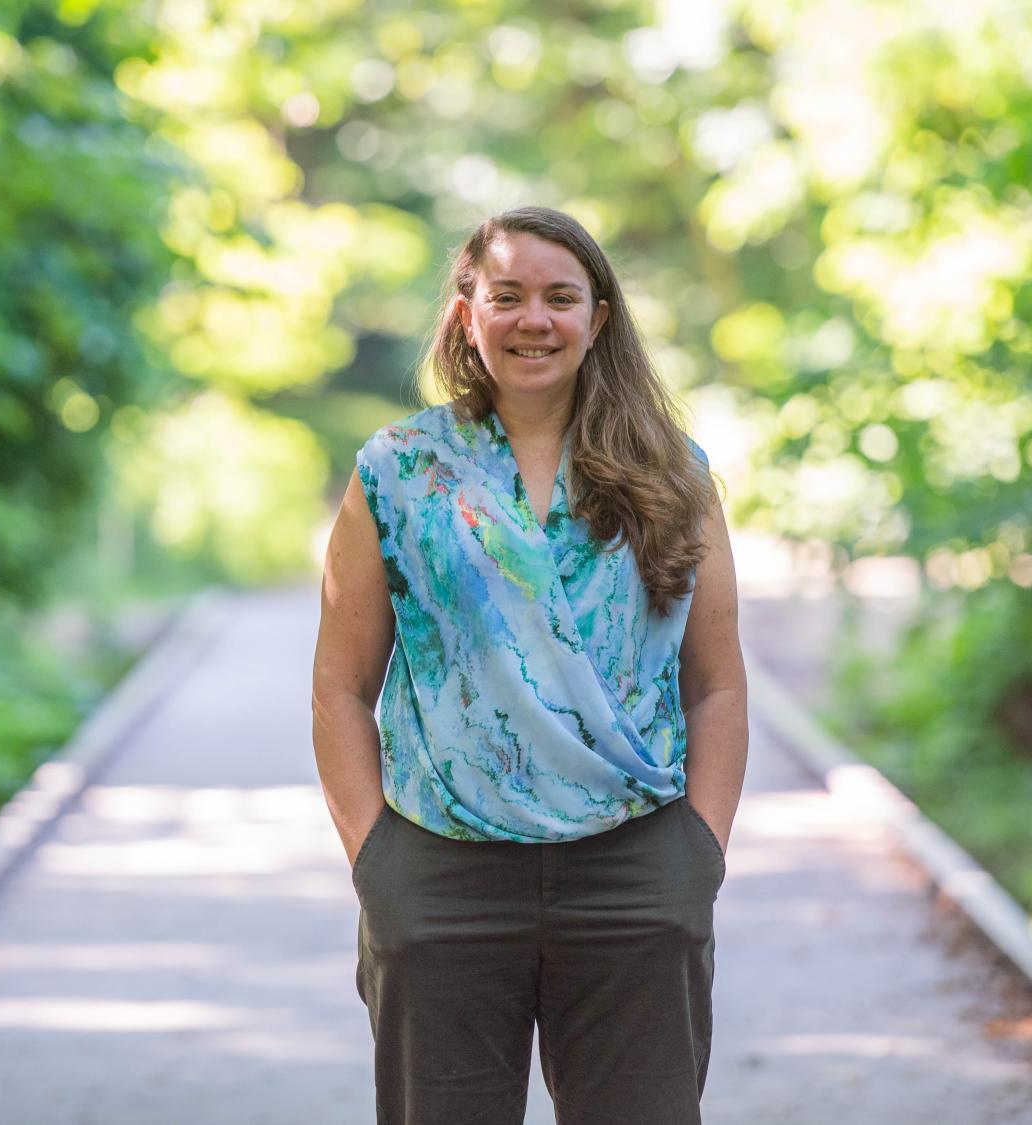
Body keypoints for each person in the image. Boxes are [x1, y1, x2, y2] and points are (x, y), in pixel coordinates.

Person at [312, 205, 748, 1125]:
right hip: (441, 873)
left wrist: (695, 858)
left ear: (599, 317)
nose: (534, 320)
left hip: (635, 871)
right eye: (507, 296)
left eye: (560, 297)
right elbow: (340, 684)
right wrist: (375, 858)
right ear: (467, 313)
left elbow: (718, 683)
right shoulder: (400, 470)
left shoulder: (675, 472)